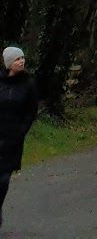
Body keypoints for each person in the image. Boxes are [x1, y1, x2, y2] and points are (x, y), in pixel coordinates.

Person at [0, 47, 38, 227]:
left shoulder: (28, 84)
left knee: (3, 180)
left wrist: (21, 131)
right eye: (17, 59)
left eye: (23, 58)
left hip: (13, 140)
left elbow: (31, 112)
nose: (21, 61)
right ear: (9, 63)